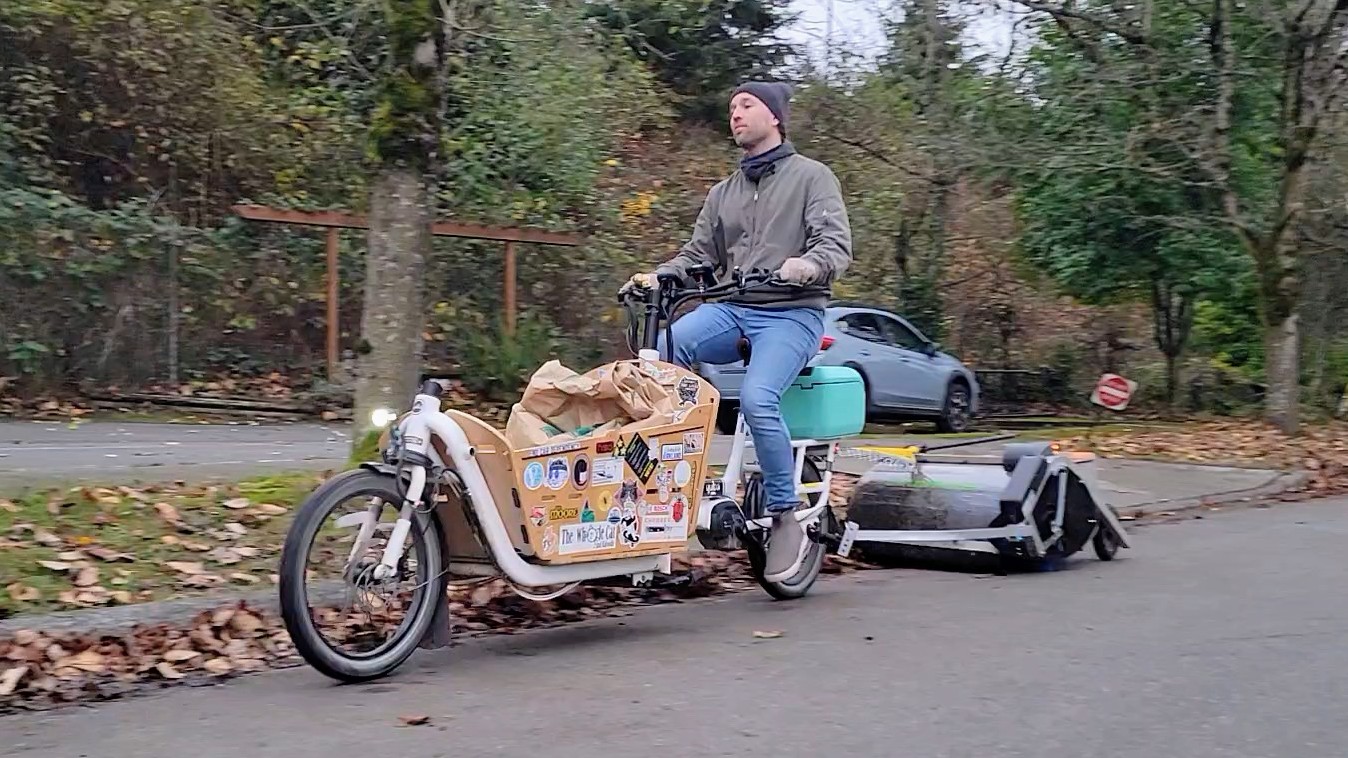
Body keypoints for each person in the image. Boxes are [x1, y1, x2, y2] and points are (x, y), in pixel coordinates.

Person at [621, 80, 852, 583]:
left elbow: (835, 247)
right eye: (731, 108)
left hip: (792, 313)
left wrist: (806, 267)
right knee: (658, 356)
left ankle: (786, 515)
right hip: (732, 308)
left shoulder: (813, 177)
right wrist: (657, 274)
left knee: (757, 397)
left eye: (746, 105)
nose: (735, 115)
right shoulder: (722, 193)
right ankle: (672, 484)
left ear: (775, 118)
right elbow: (695, 256)